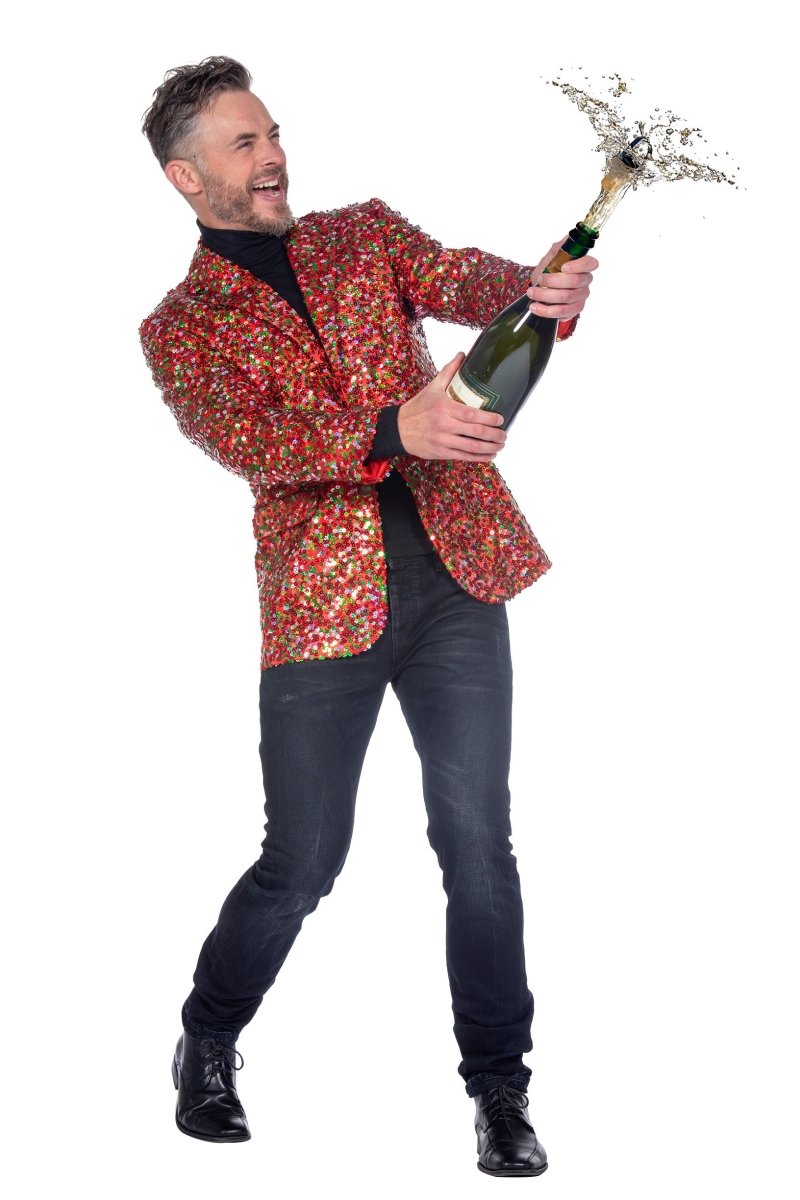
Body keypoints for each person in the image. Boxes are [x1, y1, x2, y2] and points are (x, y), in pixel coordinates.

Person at [139, 56, 598, 1177]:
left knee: (476, 843)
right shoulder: (180, 327)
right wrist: (397, 427)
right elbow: (252, 442)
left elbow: (466, 279)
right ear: (186, 177)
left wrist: (542, 287)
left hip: (456, 577)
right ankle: (209, 1034)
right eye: (244, 144)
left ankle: (499, 1089)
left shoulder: (361, 234)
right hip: (320, 613)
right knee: (302, 859)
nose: (273, 157)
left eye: (273, 133)